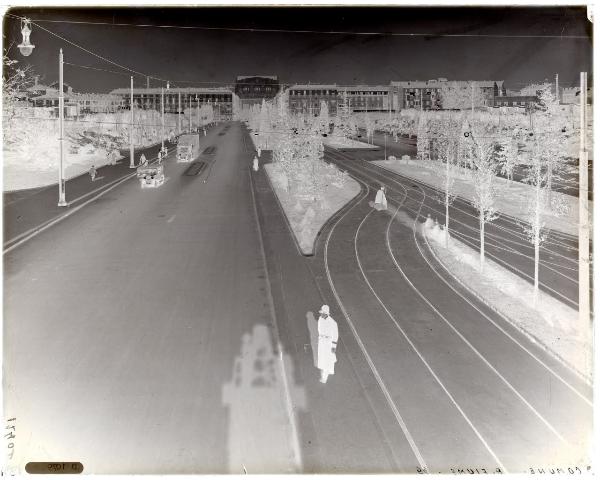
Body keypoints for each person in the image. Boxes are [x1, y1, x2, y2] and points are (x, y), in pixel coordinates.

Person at [317, 305, 338, 384]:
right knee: (322, 358)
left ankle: (324, 378)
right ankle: (326, 371)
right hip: (321, 342)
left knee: (327, 359)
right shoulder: (320, 319)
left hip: (328, 343)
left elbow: (335, 335)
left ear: (327, 313)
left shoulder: (332, 322)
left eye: (323, 313)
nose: (321, 314)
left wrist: (333, 346)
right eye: (321, 313)